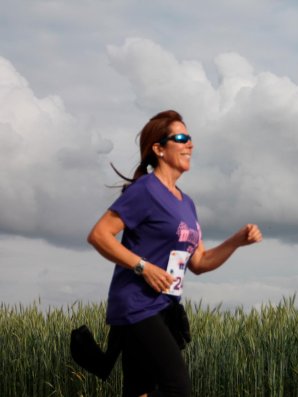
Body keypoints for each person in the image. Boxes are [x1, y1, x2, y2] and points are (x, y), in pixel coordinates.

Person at [86, 109, 262, 397]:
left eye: (190, 138)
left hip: (164, 307)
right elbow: (99, 235)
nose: (189, 144)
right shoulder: (145, 191)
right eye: (181, 137)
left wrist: (236, 241)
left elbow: (200, 262)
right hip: (137, 305)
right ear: (158, 149)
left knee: (141, 390)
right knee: (176, 385)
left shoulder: (186, 203)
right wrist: (143, 266)